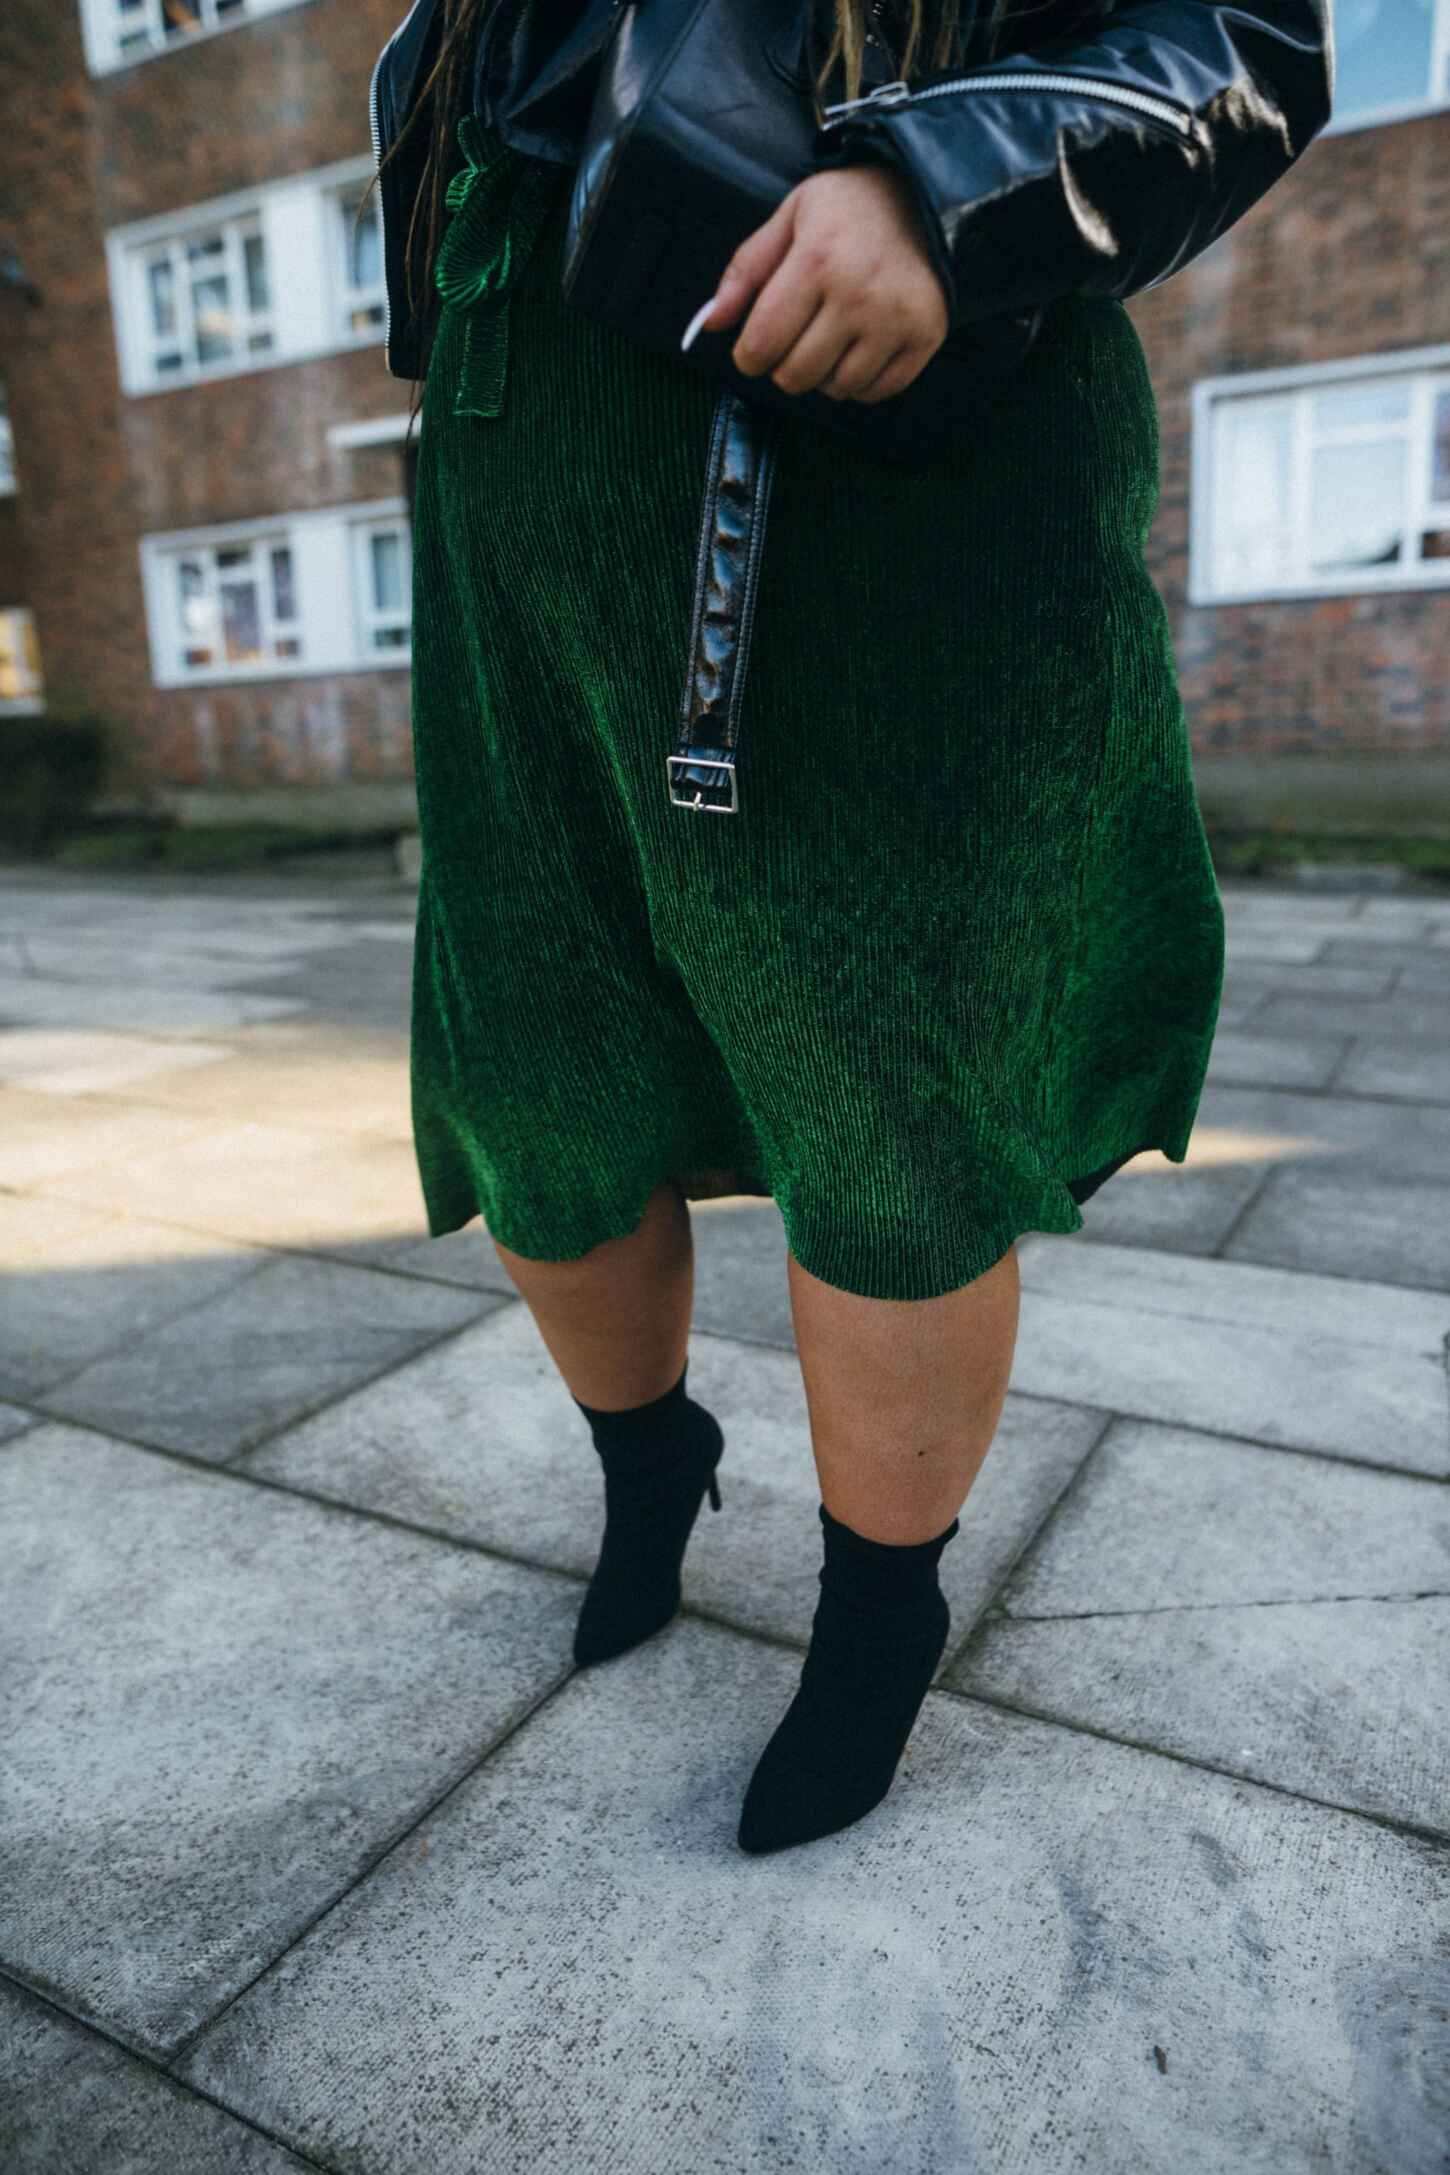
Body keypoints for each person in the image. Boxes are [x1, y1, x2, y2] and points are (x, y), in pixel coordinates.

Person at [374, 0, 1333, 1855]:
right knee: (539, 1072)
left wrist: (941, 186)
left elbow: (1242, 36)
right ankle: (651, 1459)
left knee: (884, 1090)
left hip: (870, 442)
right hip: (518, 463)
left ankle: (881, 1609)